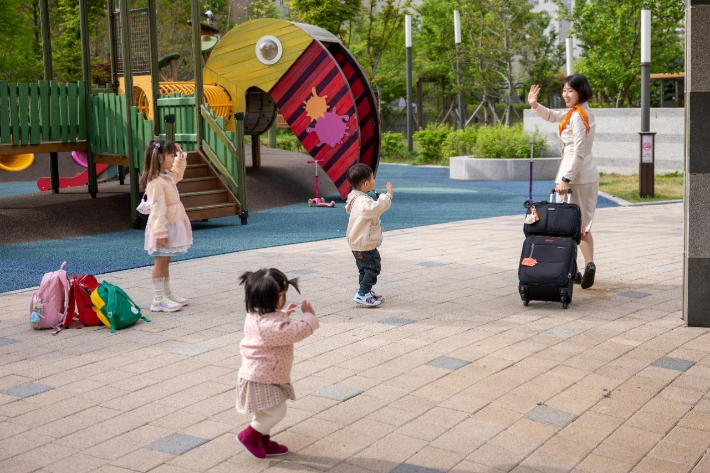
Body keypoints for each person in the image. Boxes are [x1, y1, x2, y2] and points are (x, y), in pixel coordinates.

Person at [235, 269, 319, 459]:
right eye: (282, 296)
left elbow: (275, 323)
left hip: (260, 376)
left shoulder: (256, 315)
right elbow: (296, 331)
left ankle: (262, 441)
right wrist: (309, 318)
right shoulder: (269, 326)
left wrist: (282, 314)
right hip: (262, 379)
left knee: (264, 412)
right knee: (277, 411)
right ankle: (249, 436)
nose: (283, 298)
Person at [528, 75, 598, 289]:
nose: (565, 94)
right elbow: (552, 116)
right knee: (580, 224)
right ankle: (582, 268)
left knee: (572, 226)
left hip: (574, 177)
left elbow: (577, 151)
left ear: (580, 91)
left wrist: (566, 180)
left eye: (570, 91)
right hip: (583, 176)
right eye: (564, 90)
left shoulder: (578, 116)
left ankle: (581, 268)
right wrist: (535, 105)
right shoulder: (579, 112)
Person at [139, 139, 192, 312]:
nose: (172, 158)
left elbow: (178, 173)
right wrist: (160, 232)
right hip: (162, 227)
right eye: (171, 155)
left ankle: (167, 293)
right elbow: (157, 211)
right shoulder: (156, 183)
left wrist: (180, 159)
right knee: (160, 262)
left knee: (166, 260)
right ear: (160, 158)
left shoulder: (167, 176)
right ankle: (158, 299)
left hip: (169, 225)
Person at [345, 164, 393, 307]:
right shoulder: (363, 201)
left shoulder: (355, 198)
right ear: (366, 183)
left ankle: (365, 291)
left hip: (358, 242)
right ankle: (362, 294)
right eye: (372, 177)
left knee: (364, 269)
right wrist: (388, 195)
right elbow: (375, 209)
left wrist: (375, 228)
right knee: (373, 267)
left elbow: (366, 219)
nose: (374, 179)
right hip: (364, 243)